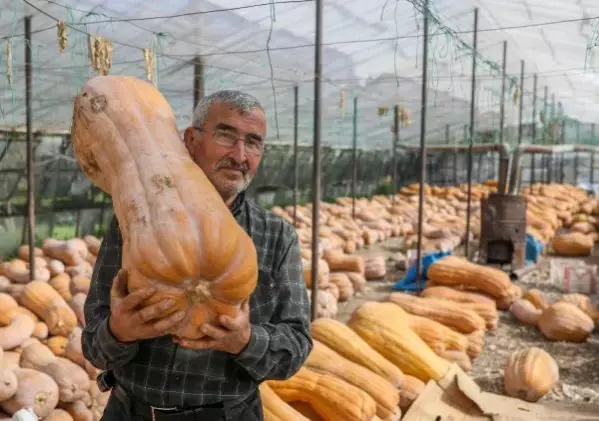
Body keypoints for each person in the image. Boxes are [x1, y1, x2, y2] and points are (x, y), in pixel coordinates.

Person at [82, 90, 313, 421]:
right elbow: (92, 344)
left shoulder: (277, 236)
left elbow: (296, 347)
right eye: (225, 135)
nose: (239, 154)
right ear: (190, 140)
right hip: (130, 412)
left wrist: (246, 341)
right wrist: (118, 332)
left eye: (253, 142)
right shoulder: (134, 221)